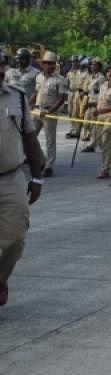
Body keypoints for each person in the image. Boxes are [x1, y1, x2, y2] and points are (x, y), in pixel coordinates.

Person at [0, 57, 45, 308]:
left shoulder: (16, 97)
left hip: (10, 177)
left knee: (15, 238)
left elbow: (29, 137)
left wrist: (37, 176)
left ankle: (1, 278)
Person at [29, 51, 68, 177]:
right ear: (43, 64)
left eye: (52, 63)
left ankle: (49, 166)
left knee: (50, 140)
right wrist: (28, 102)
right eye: (47, 63)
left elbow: (61, 98)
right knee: (31, 137)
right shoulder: (39, 77)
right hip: (37, 110)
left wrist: (50, 111)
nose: (50, 66)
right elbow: (36, 92)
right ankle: (41, 160)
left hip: (50, 112)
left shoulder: (60, 79)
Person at [92, 64, 111, 179]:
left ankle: (105, 169)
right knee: (100, 142)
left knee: (106, 142)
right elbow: (100, 100)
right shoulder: (103, 85)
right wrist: (96, 109)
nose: (110, 74)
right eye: (108, 71)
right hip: (100, 116)